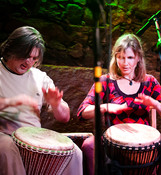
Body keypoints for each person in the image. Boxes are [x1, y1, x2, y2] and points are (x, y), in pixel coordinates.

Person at [77, 33, 161, 175]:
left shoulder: (150, 82)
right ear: (115, 58)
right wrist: (106, 107)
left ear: (138, 59)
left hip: (145, 145)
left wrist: (153, 102)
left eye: (130, 57)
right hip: (114, 144)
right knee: (89, 145)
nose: (125, 63)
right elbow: (82, 112)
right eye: (120, 57)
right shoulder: (106, 81)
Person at [0, 26, 83, 175]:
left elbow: (64, 117)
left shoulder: (39, 77)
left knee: (75, 152)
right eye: (25, 56)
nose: (28, 62)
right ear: (11, 49)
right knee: (7, 148)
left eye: (34, 58)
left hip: (33, 137)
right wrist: (12, 101)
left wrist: (56, 104)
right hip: (4, 134)